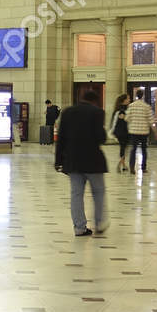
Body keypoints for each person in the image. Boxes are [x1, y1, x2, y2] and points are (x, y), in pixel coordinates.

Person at [55, 89, 108, 238]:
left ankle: (79, 227)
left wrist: (58, 161)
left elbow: (61, 139)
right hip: (93, 161)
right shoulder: (97, 112)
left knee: (76, 194)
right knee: (98, 193)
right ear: (95, 101)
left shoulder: (67, 112)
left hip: (73, 160)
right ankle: (99, 224)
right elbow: (101, 138)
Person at [123, 91, 153, 173]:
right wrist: (156, 131)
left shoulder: (131, 106)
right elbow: (151, 120)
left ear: (136, 96)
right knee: (144, 150)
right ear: (142, 96)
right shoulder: (147, 106)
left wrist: (132, 121)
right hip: (144, 131)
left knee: (133, 149)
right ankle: (143, 168)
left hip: (134, 131)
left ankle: (132, 167)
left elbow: (126, 118)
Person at [111, 94, 131, 173]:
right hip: (122, 132)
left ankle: (123, 165)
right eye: (128, 98)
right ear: (124, 100)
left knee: (124, 148)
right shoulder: (122, 110)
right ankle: (120, 165)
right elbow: (124, 121)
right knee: (123, 148)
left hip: (121, 132)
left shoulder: (120, 109)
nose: (129, 100)